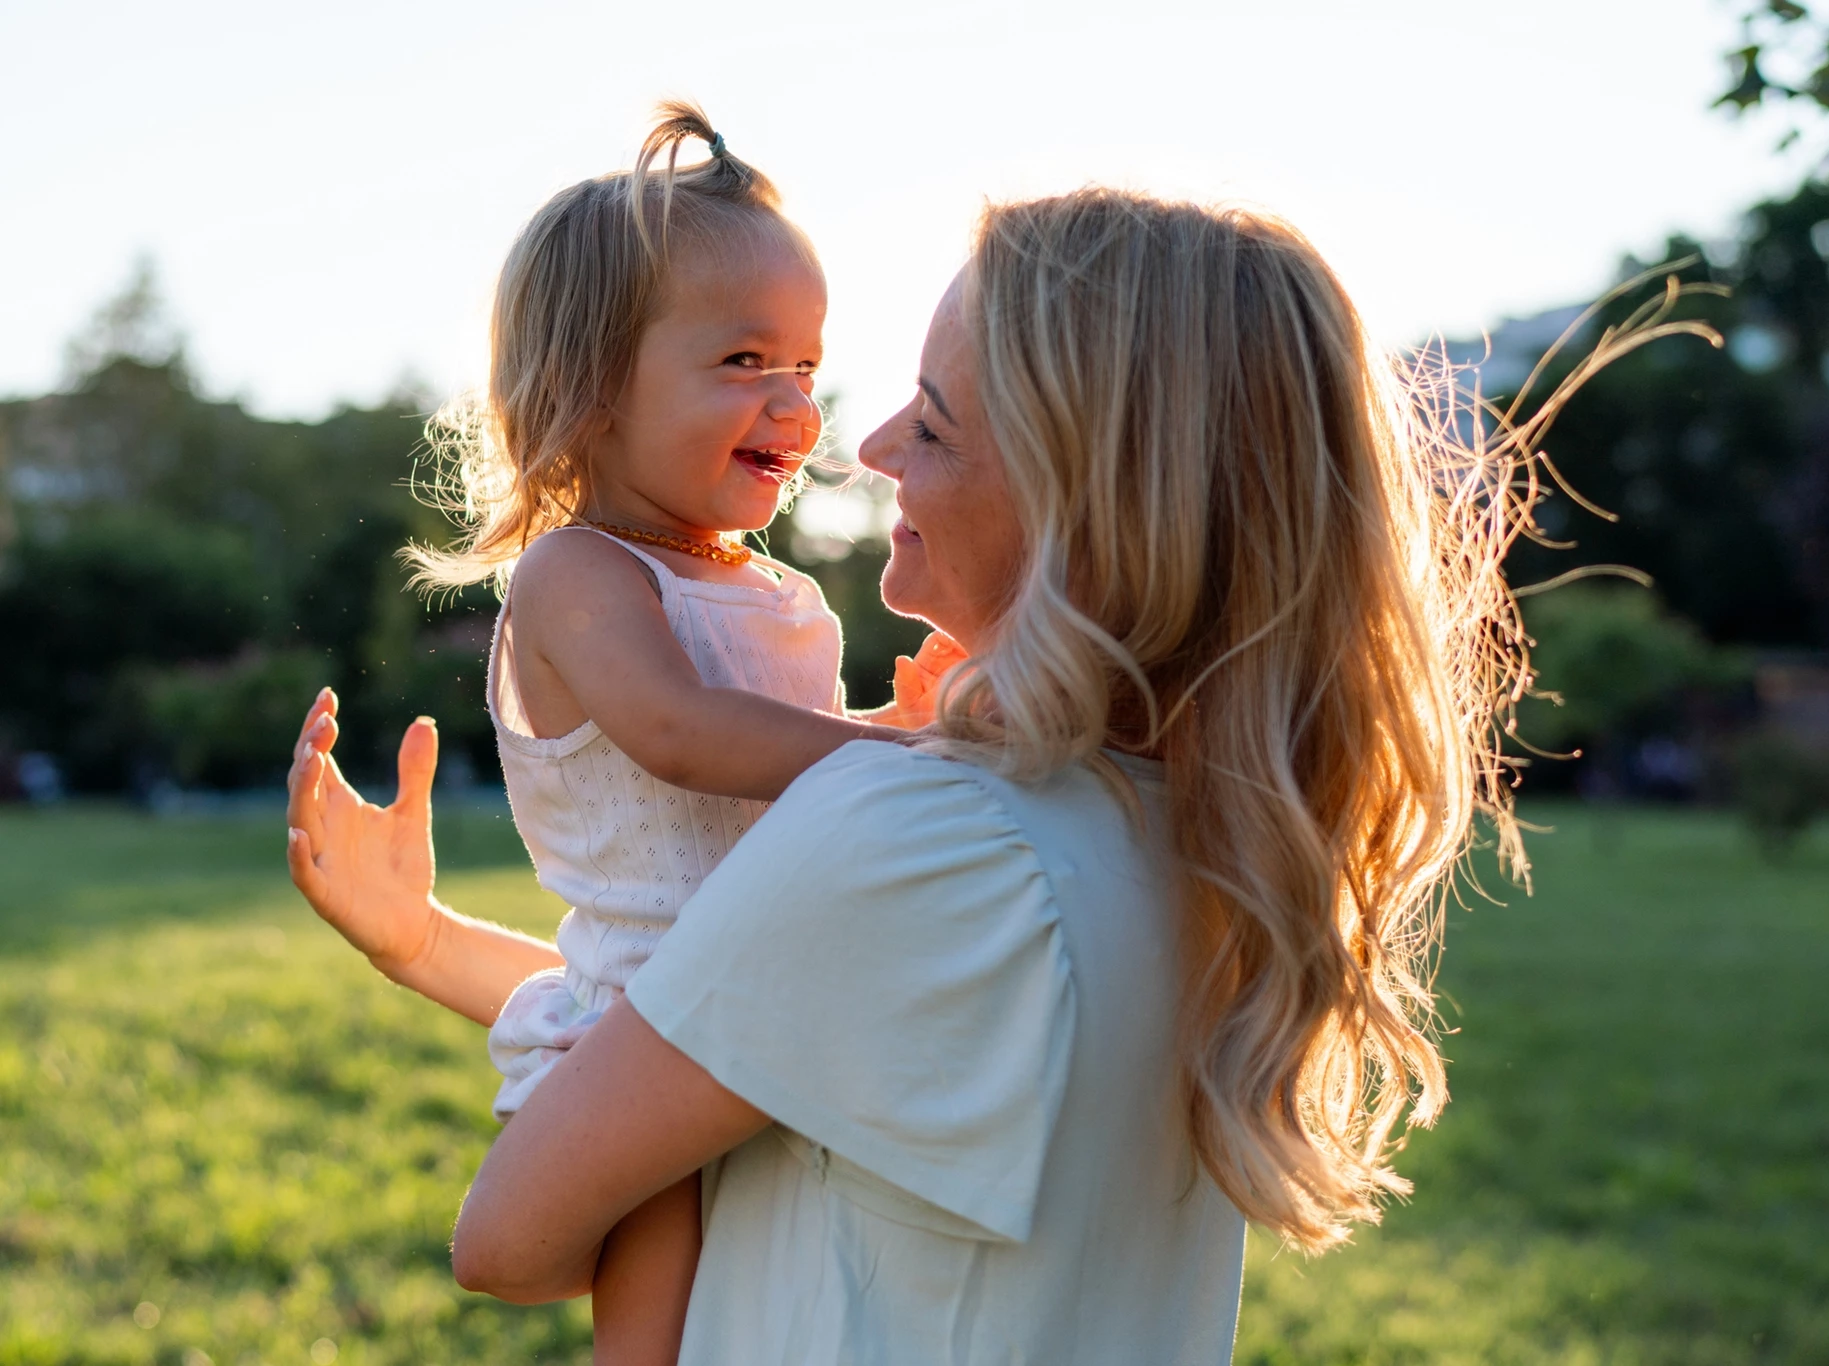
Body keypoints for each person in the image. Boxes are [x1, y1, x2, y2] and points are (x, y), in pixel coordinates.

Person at [289, 186, 1642, 1362]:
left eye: (932, 425)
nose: (864, 446)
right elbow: (689, 992)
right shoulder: (1196, 838)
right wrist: (427, 942)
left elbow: (510, 1238)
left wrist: (905, 750)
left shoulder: (911, 836)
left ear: (1091, 506)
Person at [294, 100, 925, 1365]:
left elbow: (773, 768)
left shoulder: (777, 592)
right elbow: (684, 733)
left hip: (773, 987)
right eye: (744, 361)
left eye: (804, 364)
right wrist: (910, 757)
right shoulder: (578, 574)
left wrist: (905, 721)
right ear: (587, 392)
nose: (794, 404)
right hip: (656, 1019)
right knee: (664, 1300)